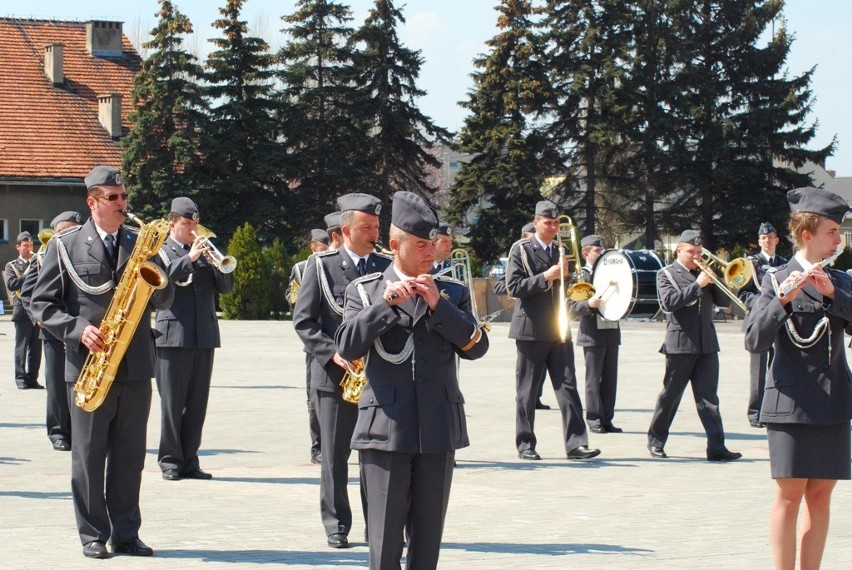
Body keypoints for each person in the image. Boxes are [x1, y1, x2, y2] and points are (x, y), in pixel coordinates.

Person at [335, 190, 489, 570]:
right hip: (385, 430)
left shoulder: (451, 291)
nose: (430, 253)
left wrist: (441, 307)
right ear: (394, 245)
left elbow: (477, 347)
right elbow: (347, 343)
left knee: (427, 543)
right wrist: (383, 306)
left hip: (437, 428)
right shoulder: (365, 290)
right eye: (421, 245)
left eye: (432, 244)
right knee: (385, 543)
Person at [31, 165, 174, 559]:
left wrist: (161, 272)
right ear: (92, 202)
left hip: (135, 365)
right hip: (89, 365)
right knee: (89, 456)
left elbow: (164, 299)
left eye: (124, 197)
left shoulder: (140, 242)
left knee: (129, 457)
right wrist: (77, 330)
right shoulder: (65, 245)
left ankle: (126, 533)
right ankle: (93, 534)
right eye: (113, 198)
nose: (122, 204)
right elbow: (41, 303)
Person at [745, 187, 852, 570]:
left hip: (833, 400)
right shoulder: (773, 279)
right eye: (832, 232)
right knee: (789, 496)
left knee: (821, 496)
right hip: (790, 405)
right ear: (807, 233)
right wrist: (782, 302)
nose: (838, 240)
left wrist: (833, 296)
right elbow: (754, 340)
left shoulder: (840, 280)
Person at [293, 193, 392, 549]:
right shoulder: (320, 266)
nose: (373, 233)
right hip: (335, 378)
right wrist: (334, 353)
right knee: (335, 458)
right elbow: (304, 322)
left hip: (380, 379)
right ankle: (336, 524)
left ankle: (378, 525)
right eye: (366, 227)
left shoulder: (387, 265)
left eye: (376, 226)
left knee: (377, 459)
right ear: (346, 230)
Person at [506, 201, 600, 461]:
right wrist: (546, 276)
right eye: (548, 223)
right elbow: (513, 287)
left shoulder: (562, 249)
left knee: (568, 388)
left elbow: (567, 291)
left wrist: (570, 282)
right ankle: (526, 444)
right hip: (531, 329)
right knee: (527, 391)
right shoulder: (521, 249)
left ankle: (576, 444)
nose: (553, 227)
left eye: (556, 223)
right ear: (536, 223)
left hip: (559, 328)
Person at [154, 197, 235, 481]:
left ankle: (190, 459)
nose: (193, 229)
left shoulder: (205, 250)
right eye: (187, 223)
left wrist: (217, 264)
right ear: (172, 224)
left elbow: (226, 289)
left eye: (195, 223)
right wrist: (189, 259)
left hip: (204, 335)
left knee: (197, 403)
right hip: (172, 336)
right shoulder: (162, 252)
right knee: (173, 403)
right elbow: (161, 282)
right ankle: (169, 460)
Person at [647, 230, 741, 461]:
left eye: (699, 252)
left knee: (709, 399)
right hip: (680, 345)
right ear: (679, 250)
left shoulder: (705, 273)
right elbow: (669, 304)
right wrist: (698, 285)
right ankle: (656, 441)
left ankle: (717, 447)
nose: (696, 256)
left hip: (707, 344)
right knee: (670, 396)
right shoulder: (666, 274)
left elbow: (724, 301)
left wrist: (716, 278)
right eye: (691, 252)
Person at [20, 211, 83, 450]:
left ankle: (80, 431)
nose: (66, 236)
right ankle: (58, 431)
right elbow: (28, 293)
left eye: (72, 230)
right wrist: (38, 319)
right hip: (53, 331)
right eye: (62, 232)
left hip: (80, 329)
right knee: (56, 383)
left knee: (81, 383)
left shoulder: (86, 253)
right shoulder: (43, 257)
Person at [286, 227, 332, 465]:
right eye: (323, 245)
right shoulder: (302, 268)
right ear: (314, 247)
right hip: (316, 341)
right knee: (314, 399)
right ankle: (318, 446)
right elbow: (294, 299)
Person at [495, 221, 551, 410]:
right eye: (531, 235)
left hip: (546, 320)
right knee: (526, 368)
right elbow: (502, 285)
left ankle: (536, 397)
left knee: (542, 366)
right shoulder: (518, 255)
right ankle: (526, 398)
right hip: (526, 316)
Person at [569, 235, 622, 434]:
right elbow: (570, 306)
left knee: (610, 379)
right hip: (592, 332)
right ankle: (594, 419)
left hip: (611, 330)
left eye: (602, 251)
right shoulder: (580, 276)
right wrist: (587, 304)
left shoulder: (611, 274)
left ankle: (607, 419)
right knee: (594, 378)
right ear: (585, 253)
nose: (601, 254)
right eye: (597, 251)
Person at [738, 222, 787, 428]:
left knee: (778, 368)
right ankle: (755, 412)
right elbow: (742, 293)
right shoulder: (751, 264)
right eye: (763, 238)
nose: (767, 241)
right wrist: (762, 303)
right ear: (759, 241)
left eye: (770, 237)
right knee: (758, 371)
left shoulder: (785, 263)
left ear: (777, 240)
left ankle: (773, 408)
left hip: (779, 322)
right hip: (758, 321)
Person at [5, 231, 43, 389]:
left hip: (37, 310)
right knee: (21, 347)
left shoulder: (39, 262)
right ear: (18, 247)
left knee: (36, 348)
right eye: (25, 245)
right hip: (22, 311)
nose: (29, 248)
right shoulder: (12, 265)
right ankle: (20, 378)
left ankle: (32, 378)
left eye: (31, 245)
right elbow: (12, 285)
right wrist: (30, 273)